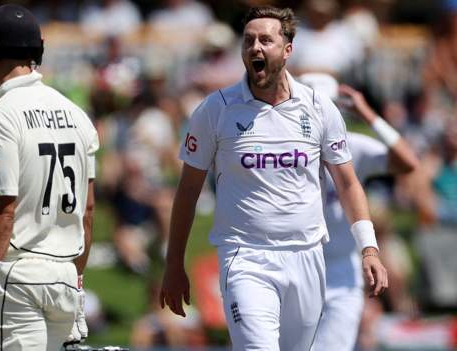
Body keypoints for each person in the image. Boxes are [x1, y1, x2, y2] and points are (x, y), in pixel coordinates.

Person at [158, 6, 388, 351]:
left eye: (266, 40)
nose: (255, 48)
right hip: (245, 257)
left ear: (288, 49)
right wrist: (174, 263)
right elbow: (188, 191)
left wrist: (368, 248)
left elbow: (348, 183)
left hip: (308, 255)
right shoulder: (215, 110)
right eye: (249, 41)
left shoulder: (319, 107)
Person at [0, 4, 99, 351]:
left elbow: (3, 210)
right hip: (63, 280)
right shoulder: (78, 116)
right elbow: (87, 211)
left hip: (16, 279)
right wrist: (77, 282)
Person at [298, 73, 418, 351]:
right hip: (296, 265)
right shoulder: (281, 148)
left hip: (342, 271)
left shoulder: (353, 146)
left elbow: (409, 162)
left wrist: (368, 114)